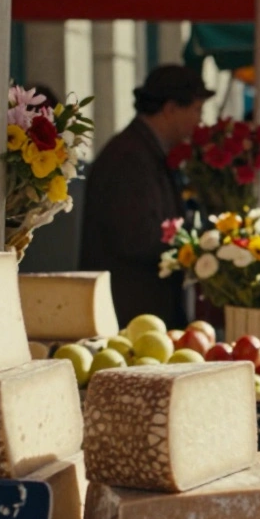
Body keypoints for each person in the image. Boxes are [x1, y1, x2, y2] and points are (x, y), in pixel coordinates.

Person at [80, 65, 212, 327]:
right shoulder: (129, 157)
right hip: (131, 313)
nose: (199, 121)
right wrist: (196, 246)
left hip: (144, 312)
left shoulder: (144, 150)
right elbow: (138, 237)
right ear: (171, 108)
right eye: (196, 110)